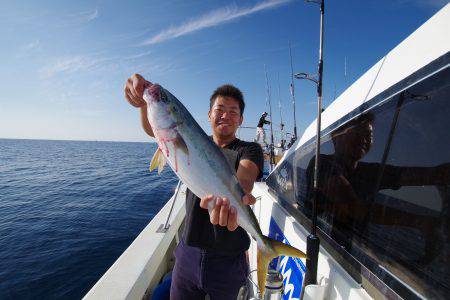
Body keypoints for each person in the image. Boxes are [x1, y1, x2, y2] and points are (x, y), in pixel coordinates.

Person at [124, 74, 264, 300]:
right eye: (219, 109)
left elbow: (245, 179)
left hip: (229, 259)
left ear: (241, 119)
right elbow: (156, 129)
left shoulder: (249, 150)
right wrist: (144, 104)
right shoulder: (193, 137)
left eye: (233, 111)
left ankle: (264, 246)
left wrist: (240, 195)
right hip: (188, 253)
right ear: (209, 115)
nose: (225, 115)